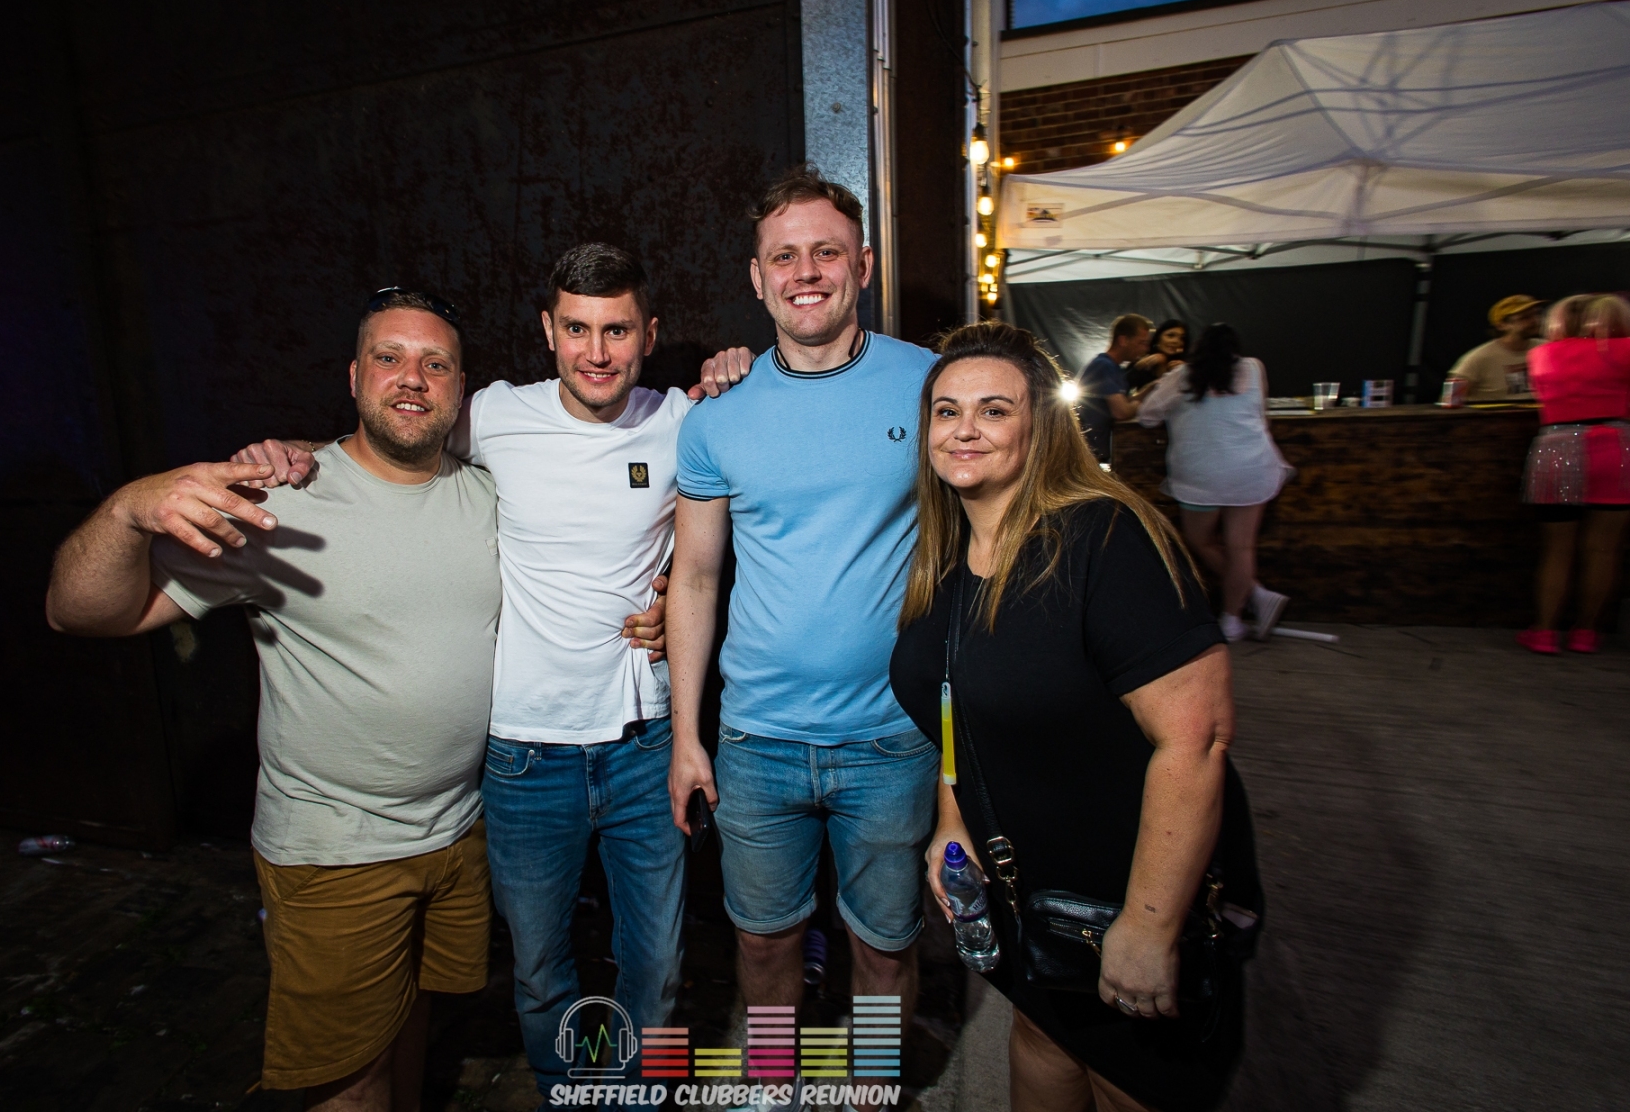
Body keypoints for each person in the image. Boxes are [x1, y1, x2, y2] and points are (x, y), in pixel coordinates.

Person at [235, 246, 738, 1104]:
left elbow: (707, 555)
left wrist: (739, 370)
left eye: (617, 330)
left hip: (642, 744)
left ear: (650, 335)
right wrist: (294, 455)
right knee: (540, 968)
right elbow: (392, 437)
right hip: (523, 757)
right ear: (547, 330)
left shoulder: (683, 421)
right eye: (576, 329)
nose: (596, 352)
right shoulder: (497, 414)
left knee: (656, 960)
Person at [47, 290, 501, 1112]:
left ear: (460, 388)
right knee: (347, 1079)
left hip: (456, 831)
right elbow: (80, 612)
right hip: (336, 847)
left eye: (435, 364)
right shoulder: (280, 505)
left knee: (411, 1027)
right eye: (390, 358)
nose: (412, 378)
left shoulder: (487, 495)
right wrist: (129, 509)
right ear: (354, 376)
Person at [889, 320, 1261, 1112]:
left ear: (1041, 427)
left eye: (994, 410)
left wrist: (1150, 926)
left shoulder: (1105, 537)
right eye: (947, 411)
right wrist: (952, 821)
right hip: (1025, 886)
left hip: (1126, 880)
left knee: (1132, 1078)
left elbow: (1196, 740)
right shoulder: (948, 554)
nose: (964, 429)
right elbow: (957, 710)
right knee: (1043, 1038)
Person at [666, 164, 938, 1111]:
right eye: (785, 257)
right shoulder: (717, 416)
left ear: (864, 264)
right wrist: (688, 735)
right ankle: (776, 1079)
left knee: (885, 947)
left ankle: (870, 1089)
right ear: (757, 278)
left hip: (891, 739)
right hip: (758, 740)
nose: (806, 272)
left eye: (827, 251)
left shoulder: (930, 387)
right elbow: (695, 579)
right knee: (763, 940)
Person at [1137, 323, 1293, 642]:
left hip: (1200, 474)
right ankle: (1233, 619)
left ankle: (1256, 595)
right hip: (1251, 469)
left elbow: (1147, 416)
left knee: (1200, 541)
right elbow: (1260, 412)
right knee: (1241, 548)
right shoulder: (1253, 368)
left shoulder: (1182, 375)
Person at [1517, 292, 1630, 654]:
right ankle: (1586, 632)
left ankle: (1545, 631)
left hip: (1556, 446)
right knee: (1603, 550)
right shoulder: (1624, 349)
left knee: (1556, 549)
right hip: (1616, 449)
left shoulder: (1541, 354)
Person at [1077, 315, 1152, 464]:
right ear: (1123, 340)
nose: (1145, 349)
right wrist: (1140, 405)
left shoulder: (1114, 368)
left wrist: (1150, 389)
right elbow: (1121, 411)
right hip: (1090, 455)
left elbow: (1124, 402)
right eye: (1141, 343)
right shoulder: (1104, 366)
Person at [1448, 294, 1544, 399]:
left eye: (1536, 314)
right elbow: (1450, 399)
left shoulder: (1546, 349)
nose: (1535, 320)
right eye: (1525, 317)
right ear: (1501, 325)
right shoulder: (1477, 358)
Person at [1128, 319, 1188, 391]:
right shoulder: (1143, 358)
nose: (1176, 341)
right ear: (1158, 337)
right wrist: (1138, 367)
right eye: (1170, 335)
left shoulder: (1185, 365)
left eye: (1182, 338)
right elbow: (1120, 386)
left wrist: (1186, 371)